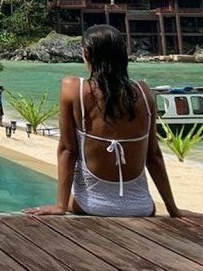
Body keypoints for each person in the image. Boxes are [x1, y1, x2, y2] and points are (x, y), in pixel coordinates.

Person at [25, 24, 184, 217]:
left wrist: (60, 206)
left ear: (86, 54)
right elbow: (154, 156)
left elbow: (68, 151)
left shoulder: (73, 89)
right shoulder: (144, 92)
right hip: (141, 206)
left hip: (91, 205)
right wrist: (172, 209)